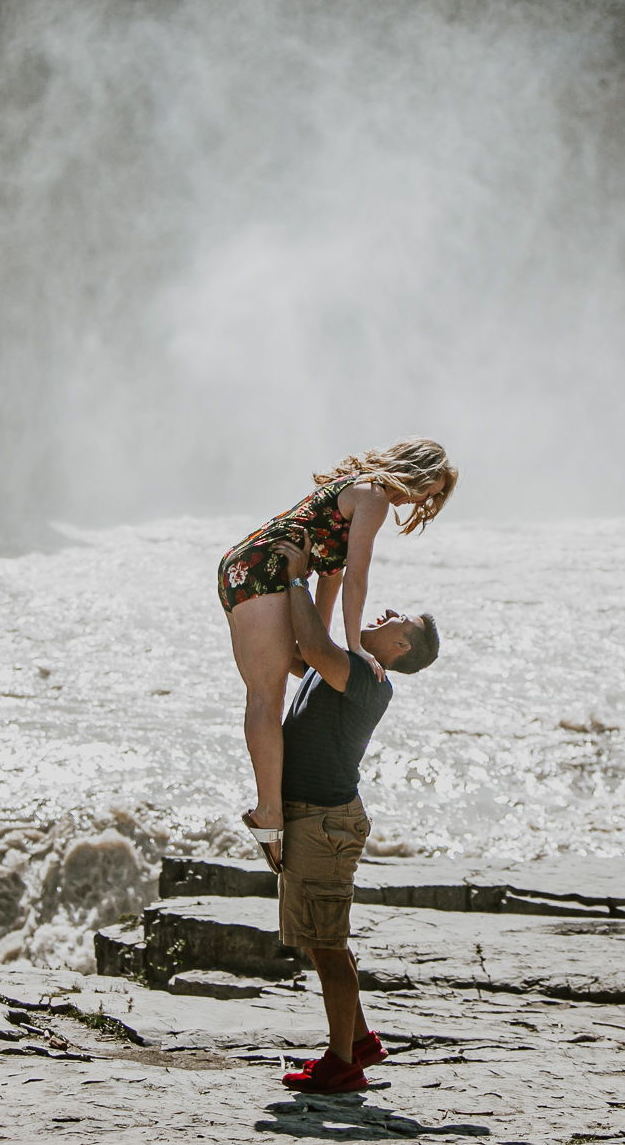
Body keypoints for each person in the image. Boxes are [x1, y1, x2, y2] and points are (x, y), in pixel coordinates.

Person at [217, 438, 456, 869]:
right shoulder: (375, 496)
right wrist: (356, 648)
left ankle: (268, 812)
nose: (425, 498)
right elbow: (357, 576)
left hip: (246, 565)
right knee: (264, 698)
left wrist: (328, 651)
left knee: (261, 693)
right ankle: (268, 812)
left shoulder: (347, 498)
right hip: (266, 569)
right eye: (430, 488)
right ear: (415, 472)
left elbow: (324, 604)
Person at [270, 538, 438, 1094]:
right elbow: (305, 644)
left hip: (325, 820)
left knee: (329, 943)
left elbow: (314, 646)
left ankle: (343, 1064)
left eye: (399, 620)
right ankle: (358, 1040)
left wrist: (298, 578)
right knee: (324, 940)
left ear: (401, 648)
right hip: (314, 816)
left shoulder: (369, 679)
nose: (386, 612)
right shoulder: (349, 663)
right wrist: (328, 575)